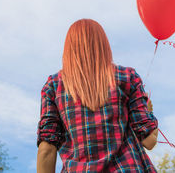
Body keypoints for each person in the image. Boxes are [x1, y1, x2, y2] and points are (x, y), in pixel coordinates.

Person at [36, 19, 159, 172]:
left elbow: (47, 149)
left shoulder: (53, 86)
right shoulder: (127, 77)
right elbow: (149, 141)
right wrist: (149, 112)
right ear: (103, 45)